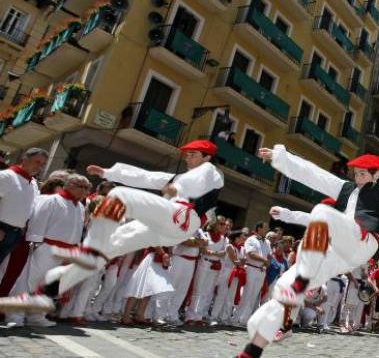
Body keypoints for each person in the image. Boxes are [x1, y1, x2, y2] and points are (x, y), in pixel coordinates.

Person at [238, 138, 379, 358]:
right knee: (284, 285)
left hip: (363, 243)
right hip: (337, 252)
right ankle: (255, 347)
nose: (358, 177)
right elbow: (312, 174)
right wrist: (281, 157)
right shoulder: (344, 188)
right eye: (356, 173)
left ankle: (301, 280)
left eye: (364, 174)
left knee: (322, 212)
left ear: (376, 175)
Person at [0, 140, 223, 314]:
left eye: (193, 154)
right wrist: (109, 173)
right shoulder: (178, 176)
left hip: (183, 218)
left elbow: (200, 179)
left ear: (206, 156)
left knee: (118, 195)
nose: (187, 157)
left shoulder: (211, 171)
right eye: (187, 153)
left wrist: (179, 187)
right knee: (110, 247)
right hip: (167, 229)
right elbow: (146, 176)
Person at [4, 173, 89, 327]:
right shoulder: (51, 200)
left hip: (66, 251)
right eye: (82, 187)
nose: (85, 191)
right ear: (69, 185)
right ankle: (14, 316)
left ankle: (36, 315)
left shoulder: (81, 207)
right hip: (46, 247)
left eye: (87, 188)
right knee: (29, 283)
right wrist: (36, 244)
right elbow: (38, 221)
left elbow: (77, 231)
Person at [0, 148, 47, 265]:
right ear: (25, 159)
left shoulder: (33, 184)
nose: (40, 167)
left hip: (15, 234)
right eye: (37, 162)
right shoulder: (6, 176)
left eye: (43, 164)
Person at [185, 215, 229, 324]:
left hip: (215, 266)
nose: (224, 226)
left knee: (207, 291)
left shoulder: (223, 239)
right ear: (214, 224)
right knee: (198, 289)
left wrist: (214, 253)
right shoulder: (205, 235)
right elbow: (203, 250)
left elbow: (224, 252)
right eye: (221, 224)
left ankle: (199, 316)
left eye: (224, 224)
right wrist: (215, 254)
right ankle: (190, 315)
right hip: (204, 263)